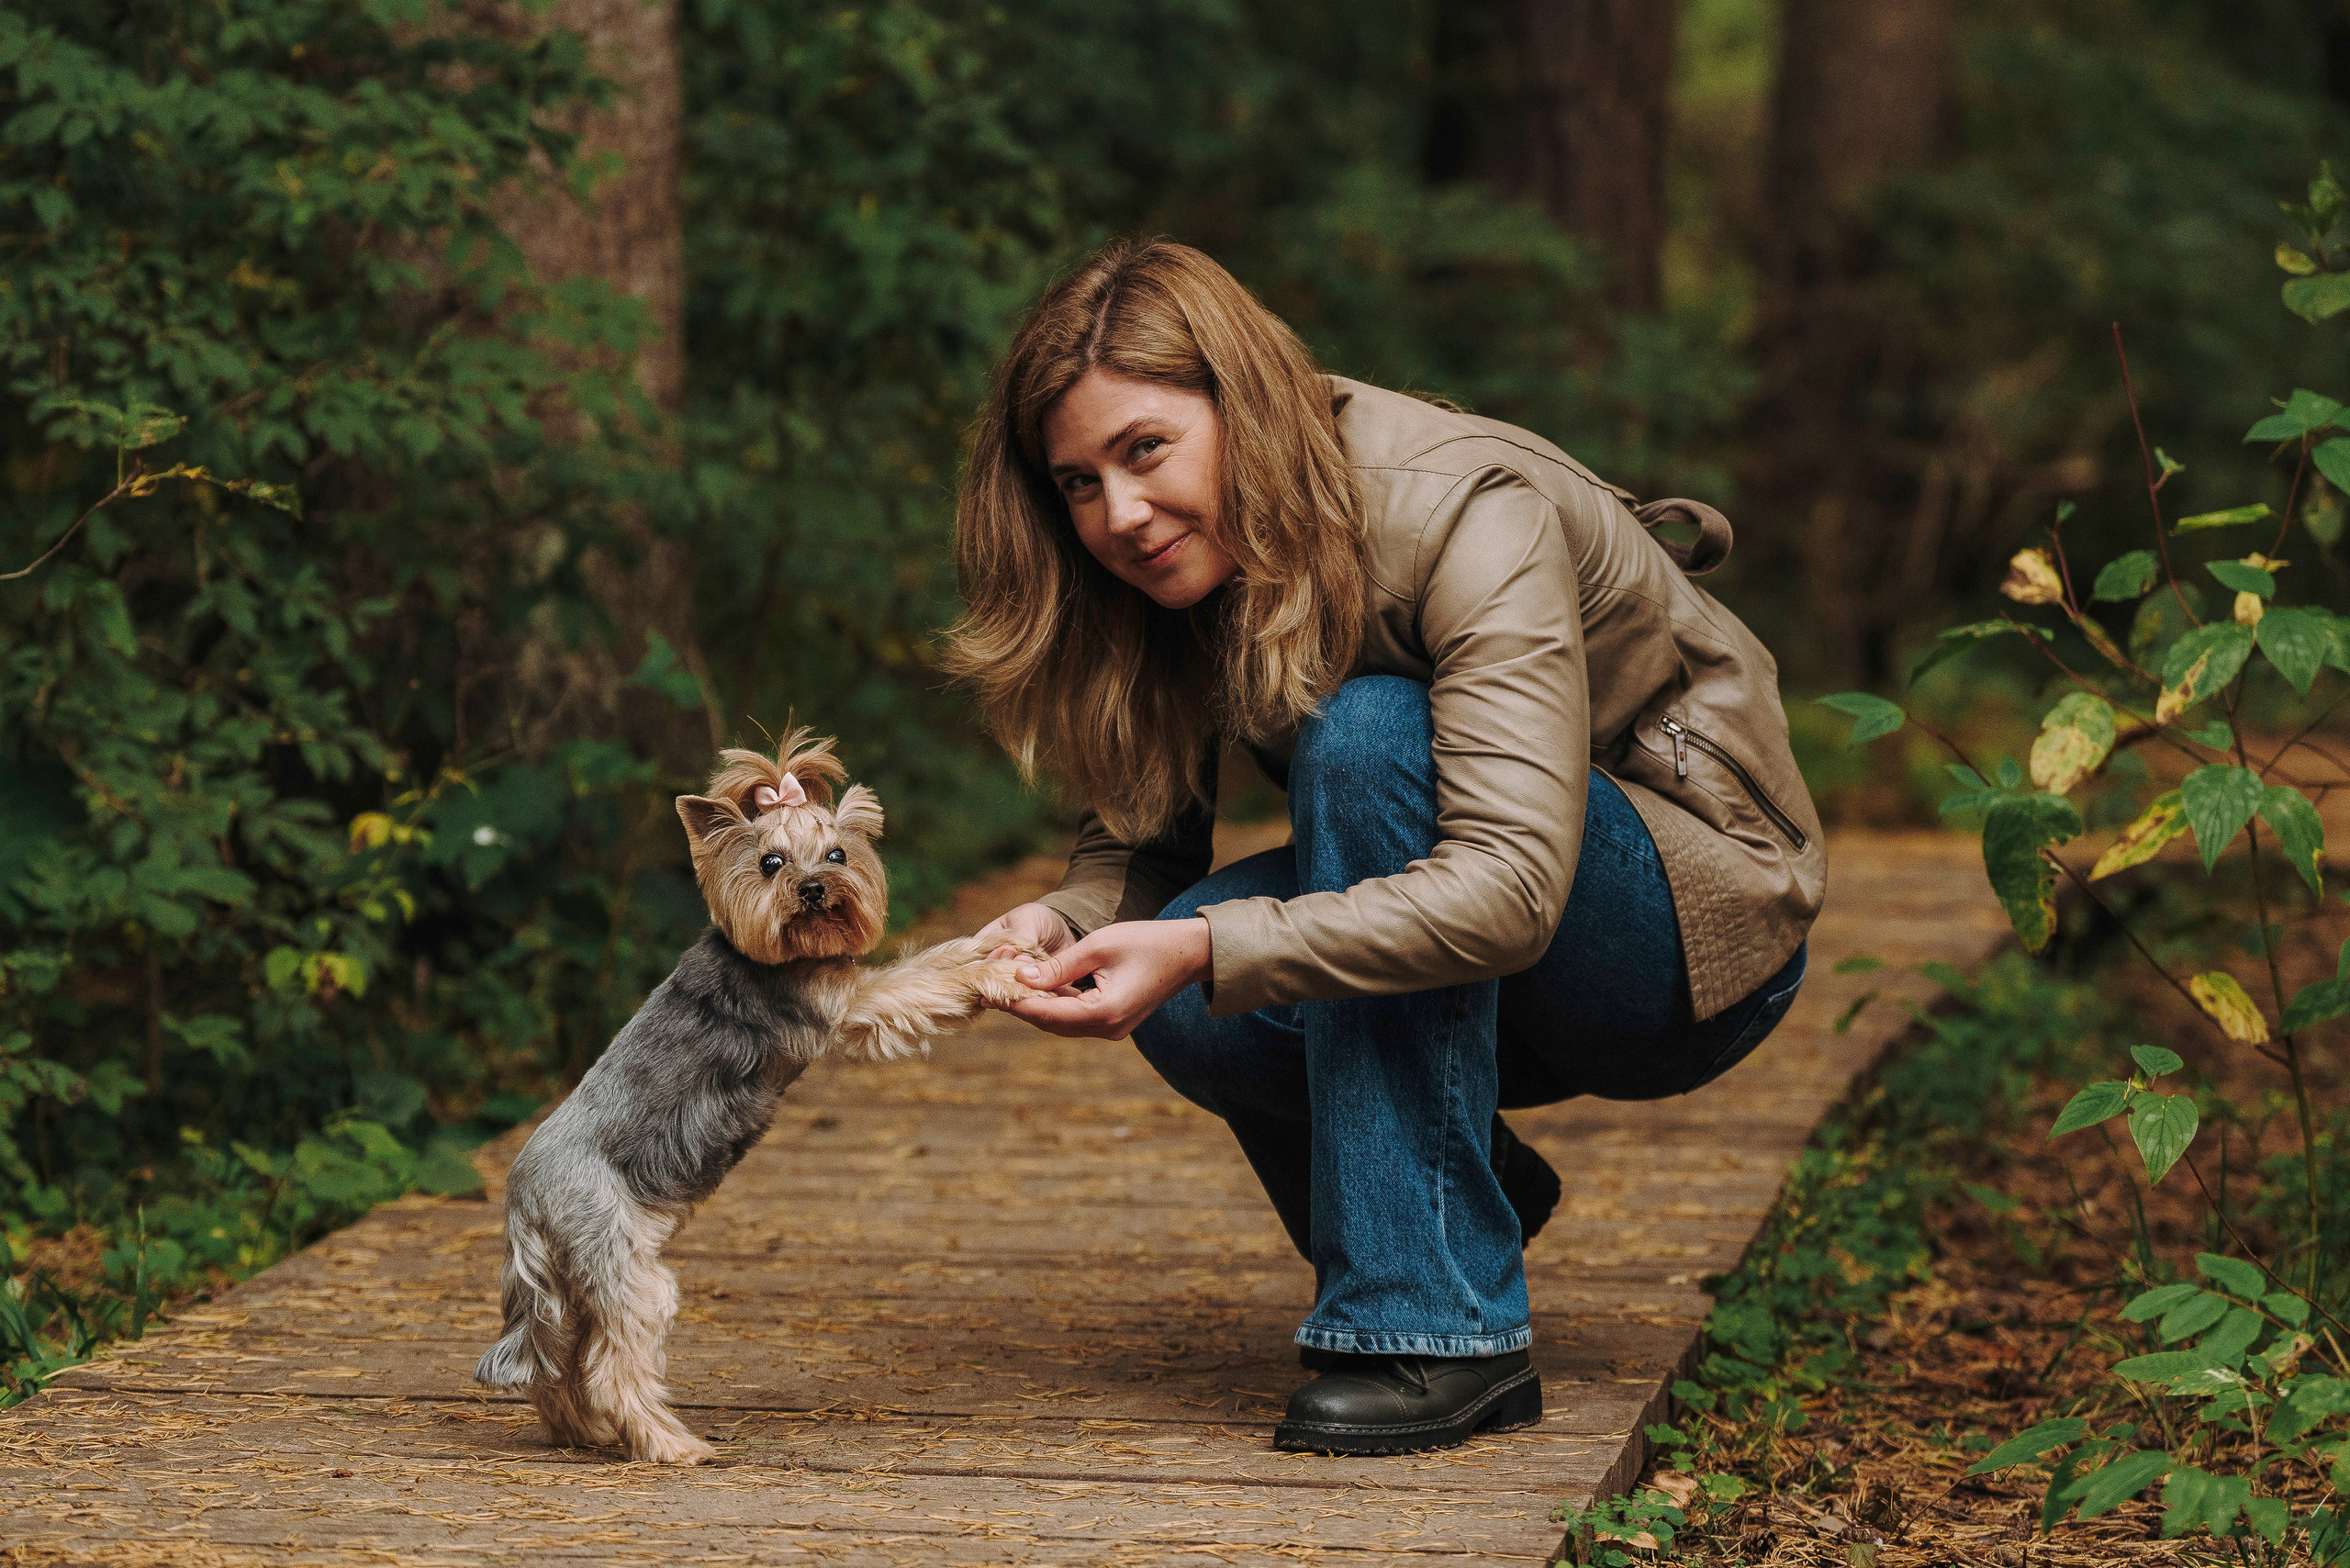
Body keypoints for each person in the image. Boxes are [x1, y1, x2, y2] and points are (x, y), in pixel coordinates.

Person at [946, 240, 1823, 1456]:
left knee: (1361, 736)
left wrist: (1208, 942)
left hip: (1690, 929)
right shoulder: (1167, 566)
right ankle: (1465, 1209)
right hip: (1493, 939)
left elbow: (1514, 893)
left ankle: (1433, 1325)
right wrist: (1073, 923)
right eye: (1078, 484)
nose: (1119, 514)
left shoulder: (1457, 506)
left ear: (1238, 404)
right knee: (1189, 996)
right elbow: (1143, 856)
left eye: (1145, 450)